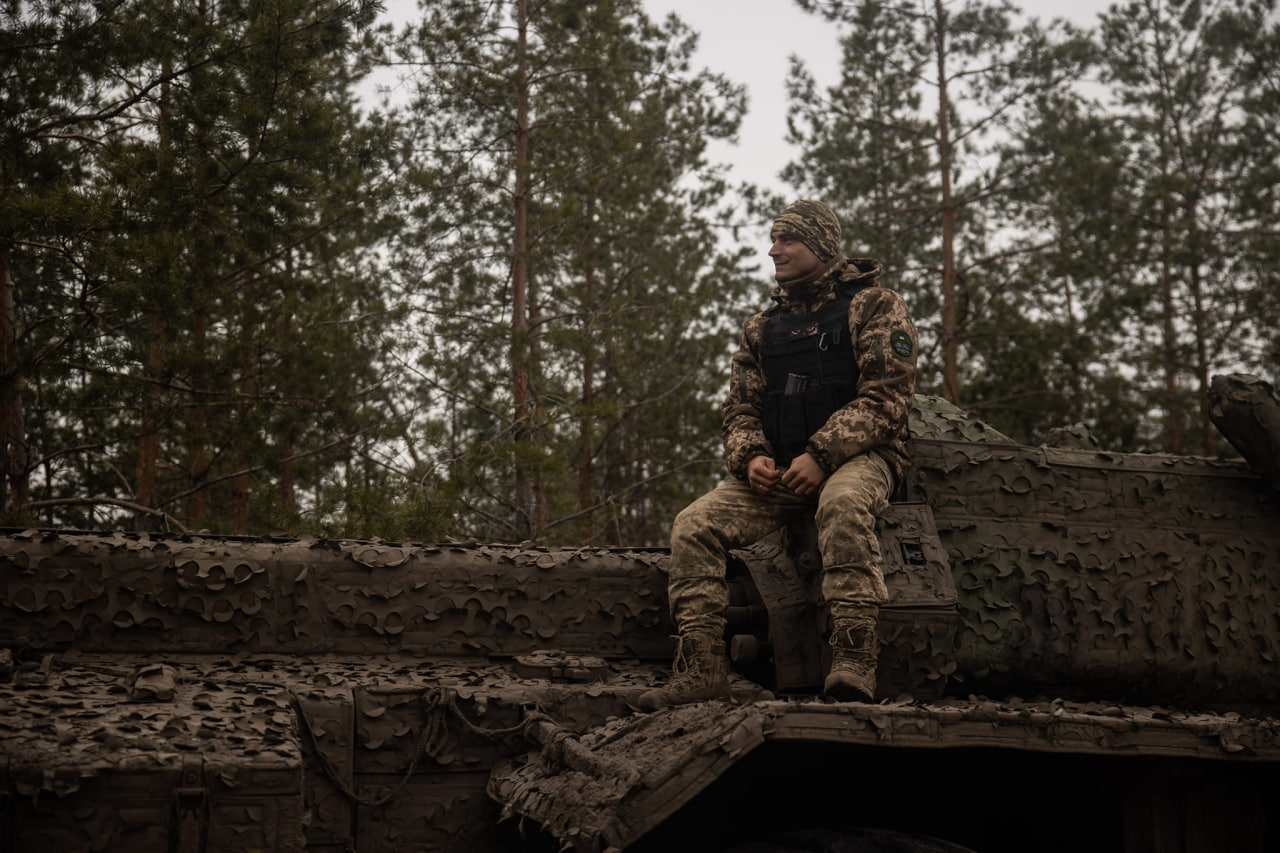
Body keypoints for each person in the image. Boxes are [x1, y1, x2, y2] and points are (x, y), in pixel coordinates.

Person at [639, 199, 917, 709]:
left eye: (787, 239)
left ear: (821, 244)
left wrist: (822, 454)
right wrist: (750, 458)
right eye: (774, 239)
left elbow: (887, 399)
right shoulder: (762, 328)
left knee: (842, 504)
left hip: (864, 458)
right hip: (782, 471)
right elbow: (740, 408)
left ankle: (854, 659)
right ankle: (702, 669)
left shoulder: (874, 306)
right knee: (693, 524)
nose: (774, 250)